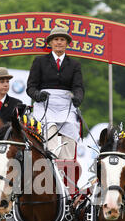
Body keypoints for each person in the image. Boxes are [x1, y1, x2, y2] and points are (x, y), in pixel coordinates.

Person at [26, 26, 85, 159]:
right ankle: (51, 159)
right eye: (56, 39)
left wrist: (78, 98)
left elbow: (78, 87)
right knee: (49, 128)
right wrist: (38, 95)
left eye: (62, 39)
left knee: (70, 126)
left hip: (66, 104)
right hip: (45, 104)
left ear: (67, 43)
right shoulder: (39, 61)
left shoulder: (74, 64)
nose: (59, 42)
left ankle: (67, 164)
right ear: (50, 43)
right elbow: (31, 87)